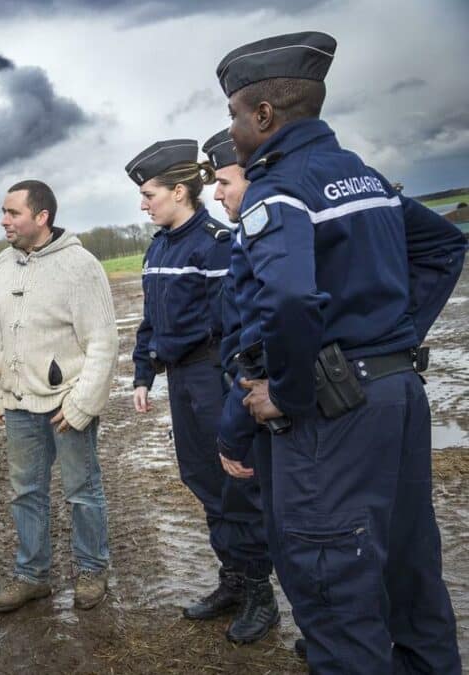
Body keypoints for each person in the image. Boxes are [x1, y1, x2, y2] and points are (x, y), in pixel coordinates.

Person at [215, 31, 465, 673]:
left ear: (264, 116)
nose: (234, 129)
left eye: (234, 116)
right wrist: (391, 335)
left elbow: (290, 301)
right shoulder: (364, 176)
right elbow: (443, 248)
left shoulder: (279, 188)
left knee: (335, 594)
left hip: (332, 415)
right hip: (396, 398)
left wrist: (291, 392)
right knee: (411, 577)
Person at [126, 139, 276, 641]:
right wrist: (144, 371)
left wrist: (237, 382)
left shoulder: (214, 242)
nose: (144, 204)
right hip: (181, 380)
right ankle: (232, 579)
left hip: (214, 375)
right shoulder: (159, 245)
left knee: (236, 483)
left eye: (149, 194)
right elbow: (152, 318)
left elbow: (234, 321)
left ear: (179, 191)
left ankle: (260, 593)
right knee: (200, 477)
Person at [0, 179, 117, 612]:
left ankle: (91, 569)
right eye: (3, 212)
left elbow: (103, 342)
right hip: (21, 403)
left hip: (66, 402)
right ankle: (32, 576)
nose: (4, 220)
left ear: (41, 217)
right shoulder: (3, 265)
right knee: (25, 491)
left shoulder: (80, 265)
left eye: (13, 213)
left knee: (82, 489)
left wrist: (81, 404)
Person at [203, 129, 284, 645]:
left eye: (223, 180)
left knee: (274, 508)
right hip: (236, 381)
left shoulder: (265, 229)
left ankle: (267, 598)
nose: (217, 192)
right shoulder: (240, 236)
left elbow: (267, 328)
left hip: (263, 391)